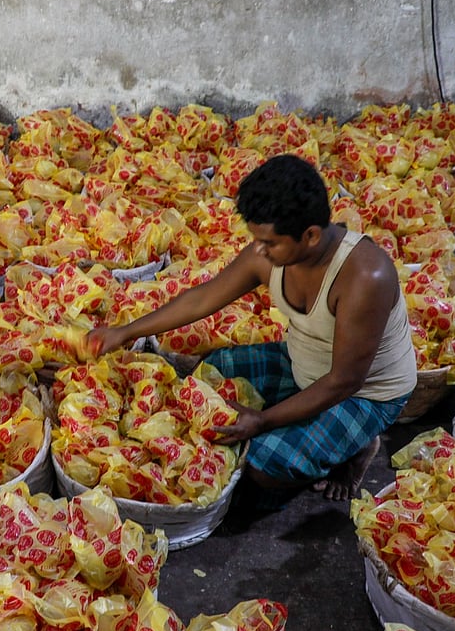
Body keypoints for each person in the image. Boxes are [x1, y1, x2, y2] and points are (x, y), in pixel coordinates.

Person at [87, 154, 416, 508]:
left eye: (269, 243)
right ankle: (319, 428)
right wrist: (127, 331)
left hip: (365, 392)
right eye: (256, 239)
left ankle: (358, 447)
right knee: (214, 370)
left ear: (310, 235)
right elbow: (203, 299)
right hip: (303, 361)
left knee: (263, 464)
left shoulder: (365, 277)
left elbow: (344, 381)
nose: (258, 250)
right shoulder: (272, 254)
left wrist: (262, 420)